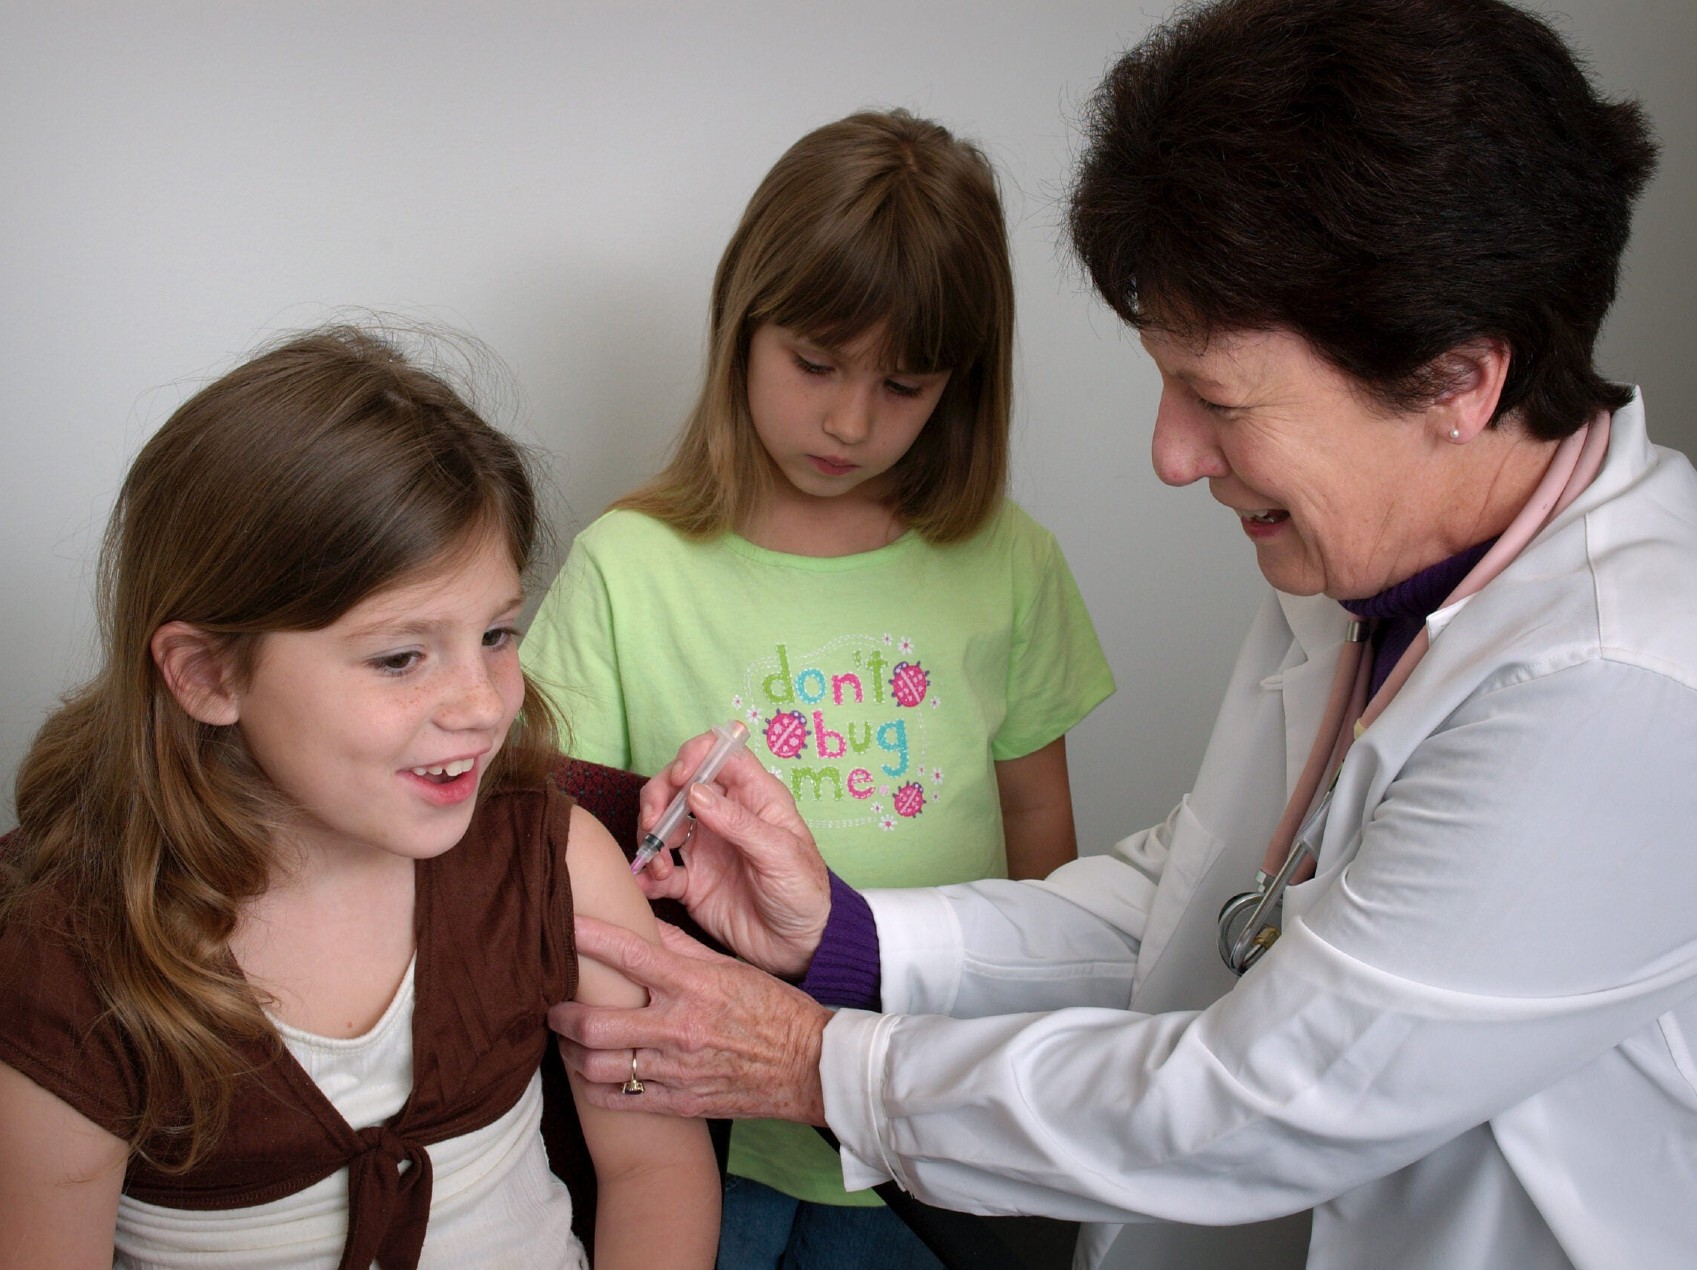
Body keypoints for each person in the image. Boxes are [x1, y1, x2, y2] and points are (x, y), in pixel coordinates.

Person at [547, 2, 1697, 1267]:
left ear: (1456, 380)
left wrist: (823, 1065)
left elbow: (1261, 1098)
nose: (1168, 454)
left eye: (1213, 398)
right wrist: (847, 939)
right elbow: (1192, 896)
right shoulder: (1358, 575)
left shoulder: (1622, 687)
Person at [521, 108, 1115, 1267]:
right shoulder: (626, 567)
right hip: (691, 1128)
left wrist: (1037, 1052)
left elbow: (1038, 824)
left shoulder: (1007, 561)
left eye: (904, 384)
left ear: (961, 384)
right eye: (814, 364)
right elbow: (546, 843)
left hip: (922, 1129)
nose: (849, 420)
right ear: (740, 328)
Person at [0, 328, 720, 1268]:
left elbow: (653, 1172)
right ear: (208, 674)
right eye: (400, 656)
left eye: (498, 634)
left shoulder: (560, 864)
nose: (480, 703)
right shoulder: (68, 962)